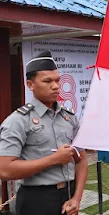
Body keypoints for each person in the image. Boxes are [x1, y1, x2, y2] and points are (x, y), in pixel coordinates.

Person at [0, 51, 88, 215]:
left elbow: (81, 160)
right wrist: (54, 159)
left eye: (57, 80)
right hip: (35, 200)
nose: (55, 86)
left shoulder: (69, 117)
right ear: (30, 84)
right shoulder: (18, 121)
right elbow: (4, 169)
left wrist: (76, 198)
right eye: (47, 81)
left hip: (67, 196)